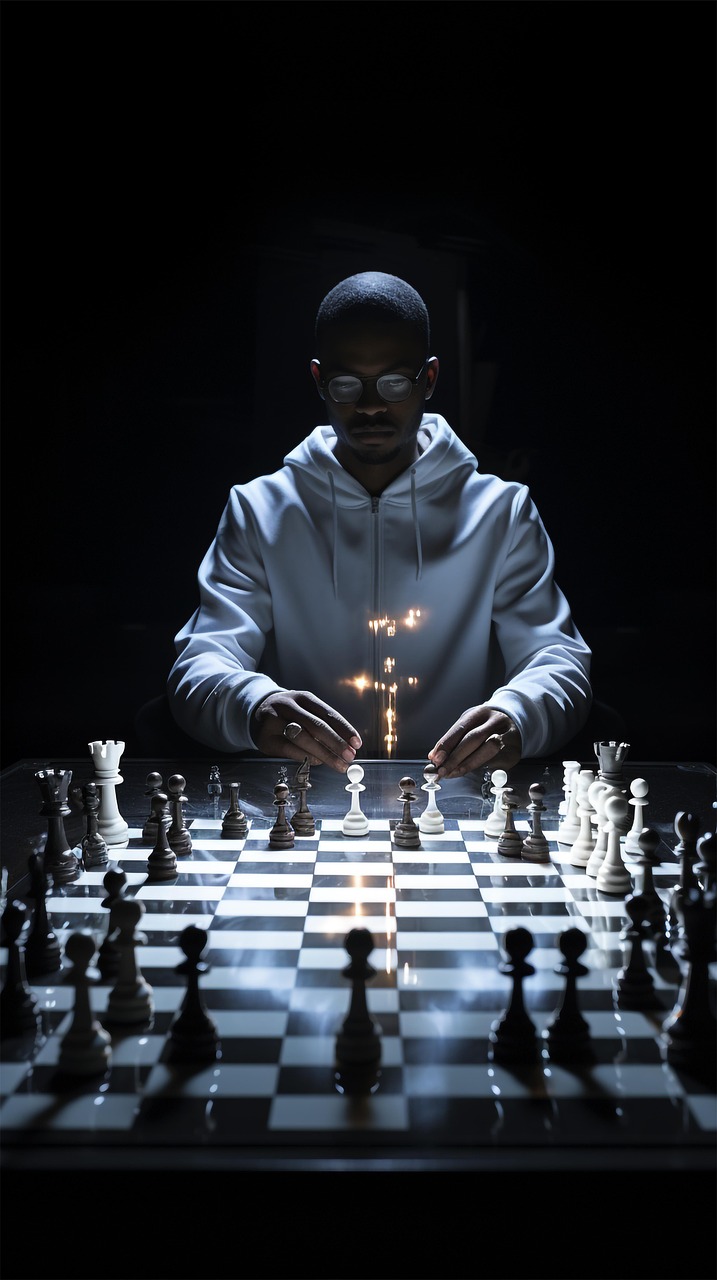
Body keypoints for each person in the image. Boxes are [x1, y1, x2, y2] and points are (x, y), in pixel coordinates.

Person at [167, 271, 592, 779]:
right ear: (319, 380)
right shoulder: (259, 510)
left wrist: (519, 714)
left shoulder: (502, 512)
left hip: (455, 806)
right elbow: (201, 661)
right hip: (303, 810)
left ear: (428, 379)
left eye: (394, 382)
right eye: (347, 384)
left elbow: (557, 657)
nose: (370, 405)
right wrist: (251, 704)